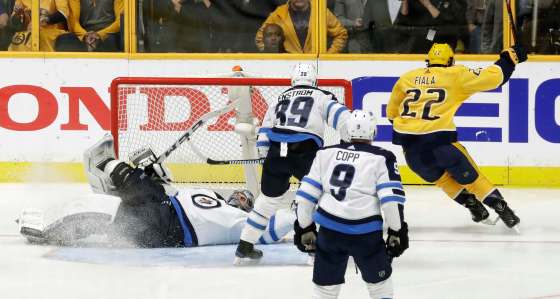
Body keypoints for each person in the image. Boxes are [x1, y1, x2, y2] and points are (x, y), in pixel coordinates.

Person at [18, 135, 295, 248]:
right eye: (239, 193)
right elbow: (171, 192)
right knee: (110, 219)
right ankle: (48, 231)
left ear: (249, 208)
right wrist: (157, 170)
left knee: (139, 191)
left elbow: (272, 231)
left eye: (245, 198)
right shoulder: (208, 196)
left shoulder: (241, 224)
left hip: (169, 227)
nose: (238, 196)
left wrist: (300, 212)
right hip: (162, 216)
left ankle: (105, 165)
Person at [386, 43, 527, 230]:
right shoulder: (455, 74)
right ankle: (503, 211)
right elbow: (494, 77)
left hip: (412, 153)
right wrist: (510, 58)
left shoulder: (407, 78)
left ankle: (475, 207)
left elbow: (391, 114)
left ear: (428, 61)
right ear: (451, 61)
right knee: (474, 180)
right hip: (442, 145)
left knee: (442, 180)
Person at [234, 63, 351, 264]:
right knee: (318, 199)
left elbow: (264, 131)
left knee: (267, 201)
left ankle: (244, 247)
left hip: (276, 151)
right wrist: (347, 145)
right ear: (314, 80)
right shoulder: (322, 96)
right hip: (306, 152)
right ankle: (314, 251)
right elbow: (345, 118)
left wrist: (266, 157)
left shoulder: (278, 98)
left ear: (293, 80)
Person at [294, 110, 409, 299]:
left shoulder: (325, 153)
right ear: (373, 131)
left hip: (330, 233)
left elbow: (305, 196)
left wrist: (305, 227)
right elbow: (390, 202)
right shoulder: (383, 157)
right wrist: (397, 231)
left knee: (325, 290)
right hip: (366, 236)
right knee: (380, 287)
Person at [255, 0, 348, 54]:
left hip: (316, 64)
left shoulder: (321, 11)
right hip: (288, 65)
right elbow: (260, 37)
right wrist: (274, 55)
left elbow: (341, 34)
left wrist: (328, 56)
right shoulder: (279, 14)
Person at [55, 0, 123, 52]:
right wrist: (85, 35)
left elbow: (121, 21)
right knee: (62, 41)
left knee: (112, 41)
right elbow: (73, 21)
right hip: (84, 34)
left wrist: (100, 35)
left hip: (108, 34)